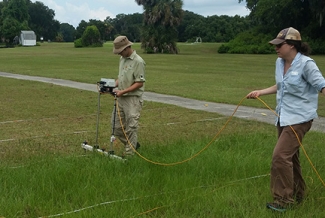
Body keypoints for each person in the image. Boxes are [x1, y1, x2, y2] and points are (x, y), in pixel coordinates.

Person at [246, 27, 325, 212]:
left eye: (279, 45)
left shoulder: (307, 64)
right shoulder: (279, 63)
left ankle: (283, 201)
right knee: (291, 157)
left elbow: (321, 85)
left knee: (280, 157)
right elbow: (281, 85)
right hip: (283, 117)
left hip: (300, 118)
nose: (276, 48)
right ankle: (298, 195)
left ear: (291, 45)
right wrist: (260, 92)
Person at [112, 35, 146, 157]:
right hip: (121, 98)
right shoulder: (122, 59)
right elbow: (121, 78)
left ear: (127, 48)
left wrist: (123, 91)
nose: (119, 54)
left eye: (120, 51)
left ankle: (129, 156)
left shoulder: (138, 61)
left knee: (131, 127)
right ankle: (133, 145)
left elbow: (139, 83)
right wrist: (110, 85)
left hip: (132, 99)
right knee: (116, 127)